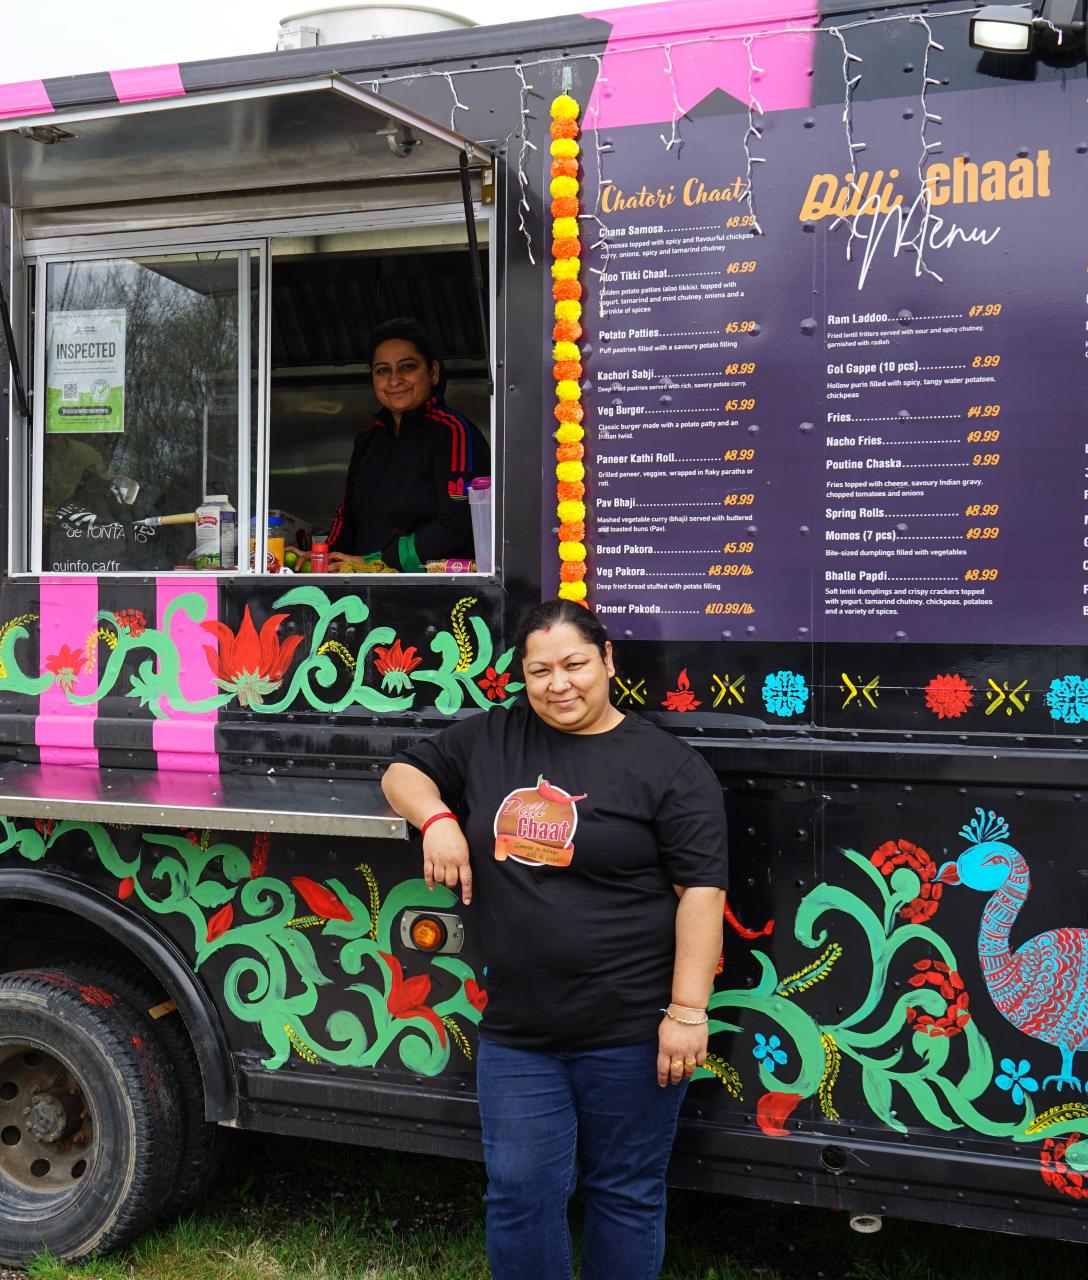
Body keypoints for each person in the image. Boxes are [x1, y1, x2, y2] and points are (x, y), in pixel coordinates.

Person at [379, 598, 727, 1280]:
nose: (558, 684)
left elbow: (702, 895)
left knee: (624, 1194)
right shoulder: (495, 738)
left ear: (607, 661)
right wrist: (439, 819)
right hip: (519, 1032)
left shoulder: (668, 767)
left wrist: (687, 1013)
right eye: (540, 670)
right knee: (519, 1195)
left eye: (574, 665)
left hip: (630, 1031)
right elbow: (402, 773)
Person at [328, 317, 487, 572]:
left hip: (432, 589)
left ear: (433, 372)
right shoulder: (368, 440)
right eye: (382, 370)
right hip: (363, 589)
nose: (394, 380)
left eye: (407, 367)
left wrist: (376, 562)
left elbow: (457, 522)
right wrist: (323, 556)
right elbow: (346, 515)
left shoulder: (453, 431)